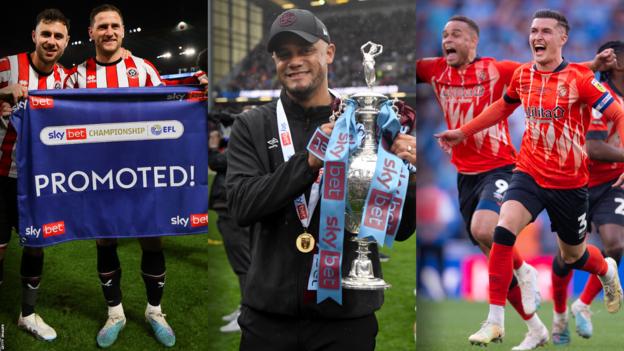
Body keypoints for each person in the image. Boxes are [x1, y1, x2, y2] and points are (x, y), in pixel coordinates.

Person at [226, 9, 416, 351]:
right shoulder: (252, 125)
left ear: (328, 52)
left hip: (346, 322)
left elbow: (400, 229)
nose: (294, 61)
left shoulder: (365, 125)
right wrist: (309, 162)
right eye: (284, 54)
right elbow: (240, 204)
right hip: (267, 320)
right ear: (274, 61)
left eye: (305, 50)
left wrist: (410, 176)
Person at [436, 9, 624, 347]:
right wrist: (462, 132)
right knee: (502, 231)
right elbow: (501, 108)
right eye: (534, 30)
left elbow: (619, 113)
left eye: (547, 31)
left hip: (569, 183)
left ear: (563, 38)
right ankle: (495, 320)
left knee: (574, 256)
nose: (537, 37)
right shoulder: (523, 75)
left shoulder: (581, 79)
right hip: (529, 172)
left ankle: (607, 270)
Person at [417, 15, 547, 350]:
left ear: (473, 42)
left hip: (501, 168)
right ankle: (534, 328)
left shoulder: (496, 69)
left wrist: (592, 63)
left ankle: (525, 277)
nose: (448, 39)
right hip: (465, 178)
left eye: (456, 34)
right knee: (494, 255)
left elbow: (544, 72)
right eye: (445, 34)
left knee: (484, 229)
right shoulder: (434, 70)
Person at [64, 4, 173, 348]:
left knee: (151, 240)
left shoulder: (143, 70)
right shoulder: (76, 76)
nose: (109, 31)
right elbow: (59, 120)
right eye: (102, 26)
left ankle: (155, 311)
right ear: (91, 33)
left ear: (123, 30)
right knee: (105, 241)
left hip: (140, 176)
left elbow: (167, 115)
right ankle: (116, 313)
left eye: (115, 26)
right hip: (98, 178)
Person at [0, 8, 71, 341]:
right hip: (2, 177)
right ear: (34, 35)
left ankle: (27, 314)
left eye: (58, 36)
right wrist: (2, 92)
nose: (51, 41)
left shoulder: (67, 79)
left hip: (40, 181)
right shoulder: (6, 66)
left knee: (36, 245)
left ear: (67, 41)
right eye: (46, 34)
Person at [552, 40, 624, 345]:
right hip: (575, 181)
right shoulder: (598, 95)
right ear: (617, 63)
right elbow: (593, 148)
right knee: (567, 258)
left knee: (616, 244)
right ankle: (558, 317)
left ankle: (582, 304)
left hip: (612, 185)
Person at [208, 119, 251, 333]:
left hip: (232, 209)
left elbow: (216, 162)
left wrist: (213, 146)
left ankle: (248, 314)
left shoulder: (244, 146)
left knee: (243, 264)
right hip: (230, 209)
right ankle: (245, 308)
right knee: (242, 264)